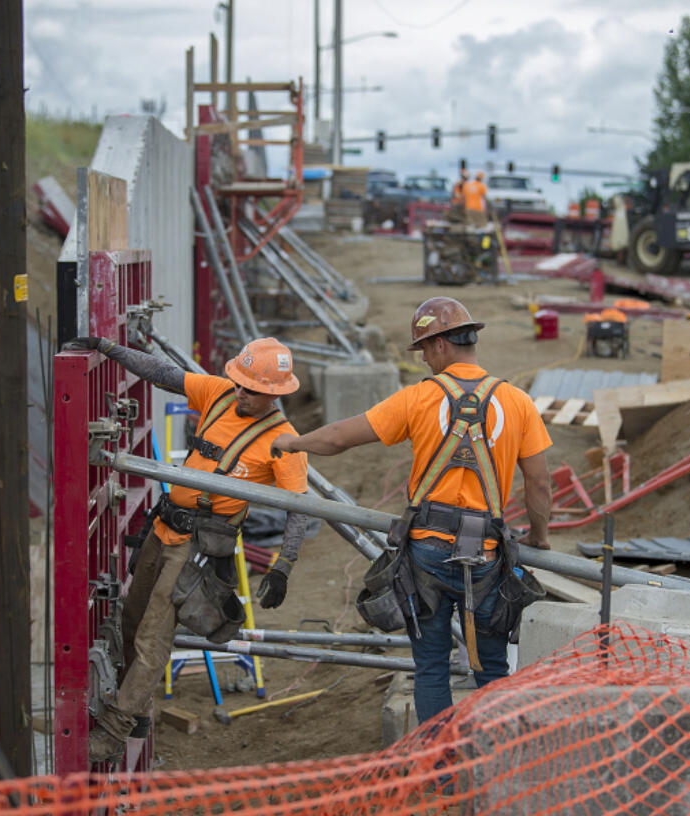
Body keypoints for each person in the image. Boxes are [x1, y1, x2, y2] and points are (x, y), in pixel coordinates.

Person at [271, 297, 551, 723]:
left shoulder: (419, 399)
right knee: (492, 670)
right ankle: (496, 772)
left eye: (424, 351)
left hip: (428, 556)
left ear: (440, 345)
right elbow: (540, 481)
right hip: (487, 556)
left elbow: (342, 437)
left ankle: (436, 775)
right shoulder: (517, 402)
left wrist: (294, 442)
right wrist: (540, 537)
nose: (424, 361)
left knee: (432, 669)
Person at [64, 335, 311, 763]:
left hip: (198, 547)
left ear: (273, 393)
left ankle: (114, 730)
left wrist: (283, 564)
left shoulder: (283, 442)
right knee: (131, 616)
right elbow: (163, 374)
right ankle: (139, 710)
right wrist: (109, 349)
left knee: (153, 636)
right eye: (239, 382)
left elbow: (299, 510)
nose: (240, 393)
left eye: (251, 390)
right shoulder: (218, 393)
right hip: (163, 527)